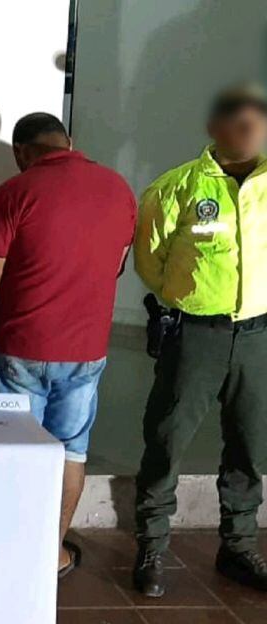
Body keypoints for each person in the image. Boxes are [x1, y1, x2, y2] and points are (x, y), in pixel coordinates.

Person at [0, 113, 135, 580]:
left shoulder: (15, 191)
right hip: (86, 349)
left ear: (21, 151)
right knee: (70, 452)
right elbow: (116, 265)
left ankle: (8, 552)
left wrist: (0, 322)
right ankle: (50, 554)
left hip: (21, 346)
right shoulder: (119, 189)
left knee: (12, 450)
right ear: (69, 141)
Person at [131, 83, 267, 597]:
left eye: (258, 123)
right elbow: (150, 260)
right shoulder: (176, 187)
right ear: (215, 128)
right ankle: (152, 547)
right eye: (240, 122)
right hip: (194, 335)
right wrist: (189, 296)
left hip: (257, 334)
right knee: (166, 442)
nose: (250, 132)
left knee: (250, 447)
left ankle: (239, 547)